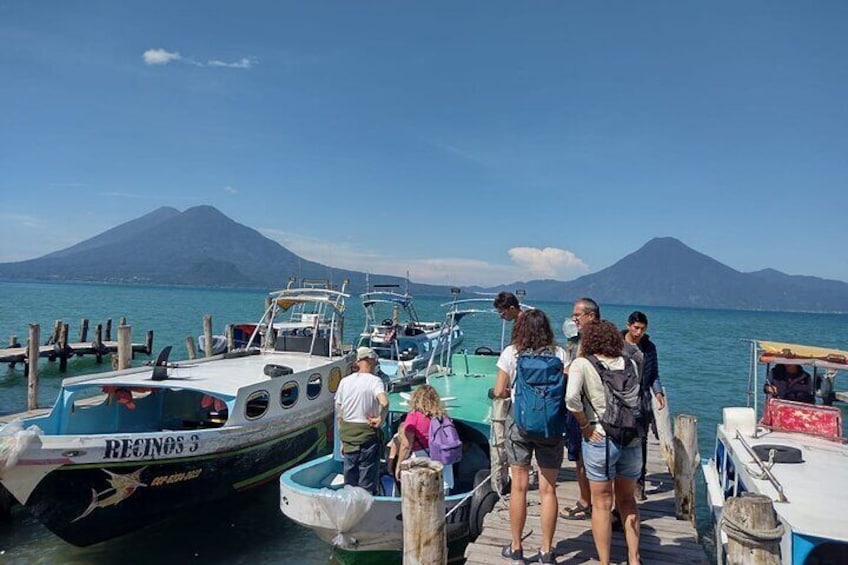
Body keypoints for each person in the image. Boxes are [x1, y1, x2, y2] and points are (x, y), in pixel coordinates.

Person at [494, 309, 566, 565]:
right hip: (550, 426)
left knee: (519, 487)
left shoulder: (511, 353)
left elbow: (501, 391)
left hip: (520, 425)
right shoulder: (559, 354)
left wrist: (497, 394)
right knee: (548, 490)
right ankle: (546, 551)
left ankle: (517, 548)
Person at [566, 320, 642, 565]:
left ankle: (604, 562)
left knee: (601, 505)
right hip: (630, 437)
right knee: (627, 500)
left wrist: (585, 427)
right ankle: (634, 558)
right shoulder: (629, 362)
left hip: (600, 437)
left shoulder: (582, 363)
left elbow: (571, 400)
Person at [559, 297, 598, 521]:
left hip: (587, 409)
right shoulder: (575, 340)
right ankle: (587, 500)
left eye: (577, 315)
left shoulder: (596, 343)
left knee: (587, 458)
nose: (573, 319)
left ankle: (590, 502)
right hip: (577, 409)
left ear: (590, 316)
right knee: (578, 457)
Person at [623, 311, 665, 501]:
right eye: (636, 327)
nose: (639, 332)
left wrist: (658, 392)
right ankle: (622, 481)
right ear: (629, 325)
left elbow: (654, 374)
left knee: (641, 443)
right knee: (621, 440)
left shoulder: (649, 348)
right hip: (621, 401)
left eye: (642, 328)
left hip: (642, 401)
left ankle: (639, 484)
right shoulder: (617, 345)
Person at [335, 346, 389, 495]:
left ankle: (351, 510)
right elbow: (384, 402)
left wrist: (342, 442)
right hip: (367, 435)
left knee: (350, 479)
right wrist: (381, 419)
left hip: (348, 437)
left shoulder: (344, 382)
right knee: (366, 480)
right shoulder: (375, 381)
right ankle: (366, 510)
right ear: (370, 360)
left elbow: (339, 413)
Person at [394, 384, 455, 491]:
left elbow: (406, 445)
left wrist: (399, 465)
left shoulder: (414, 416)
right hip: (443, 461)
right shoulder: (443, 416)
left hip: (420, 462)